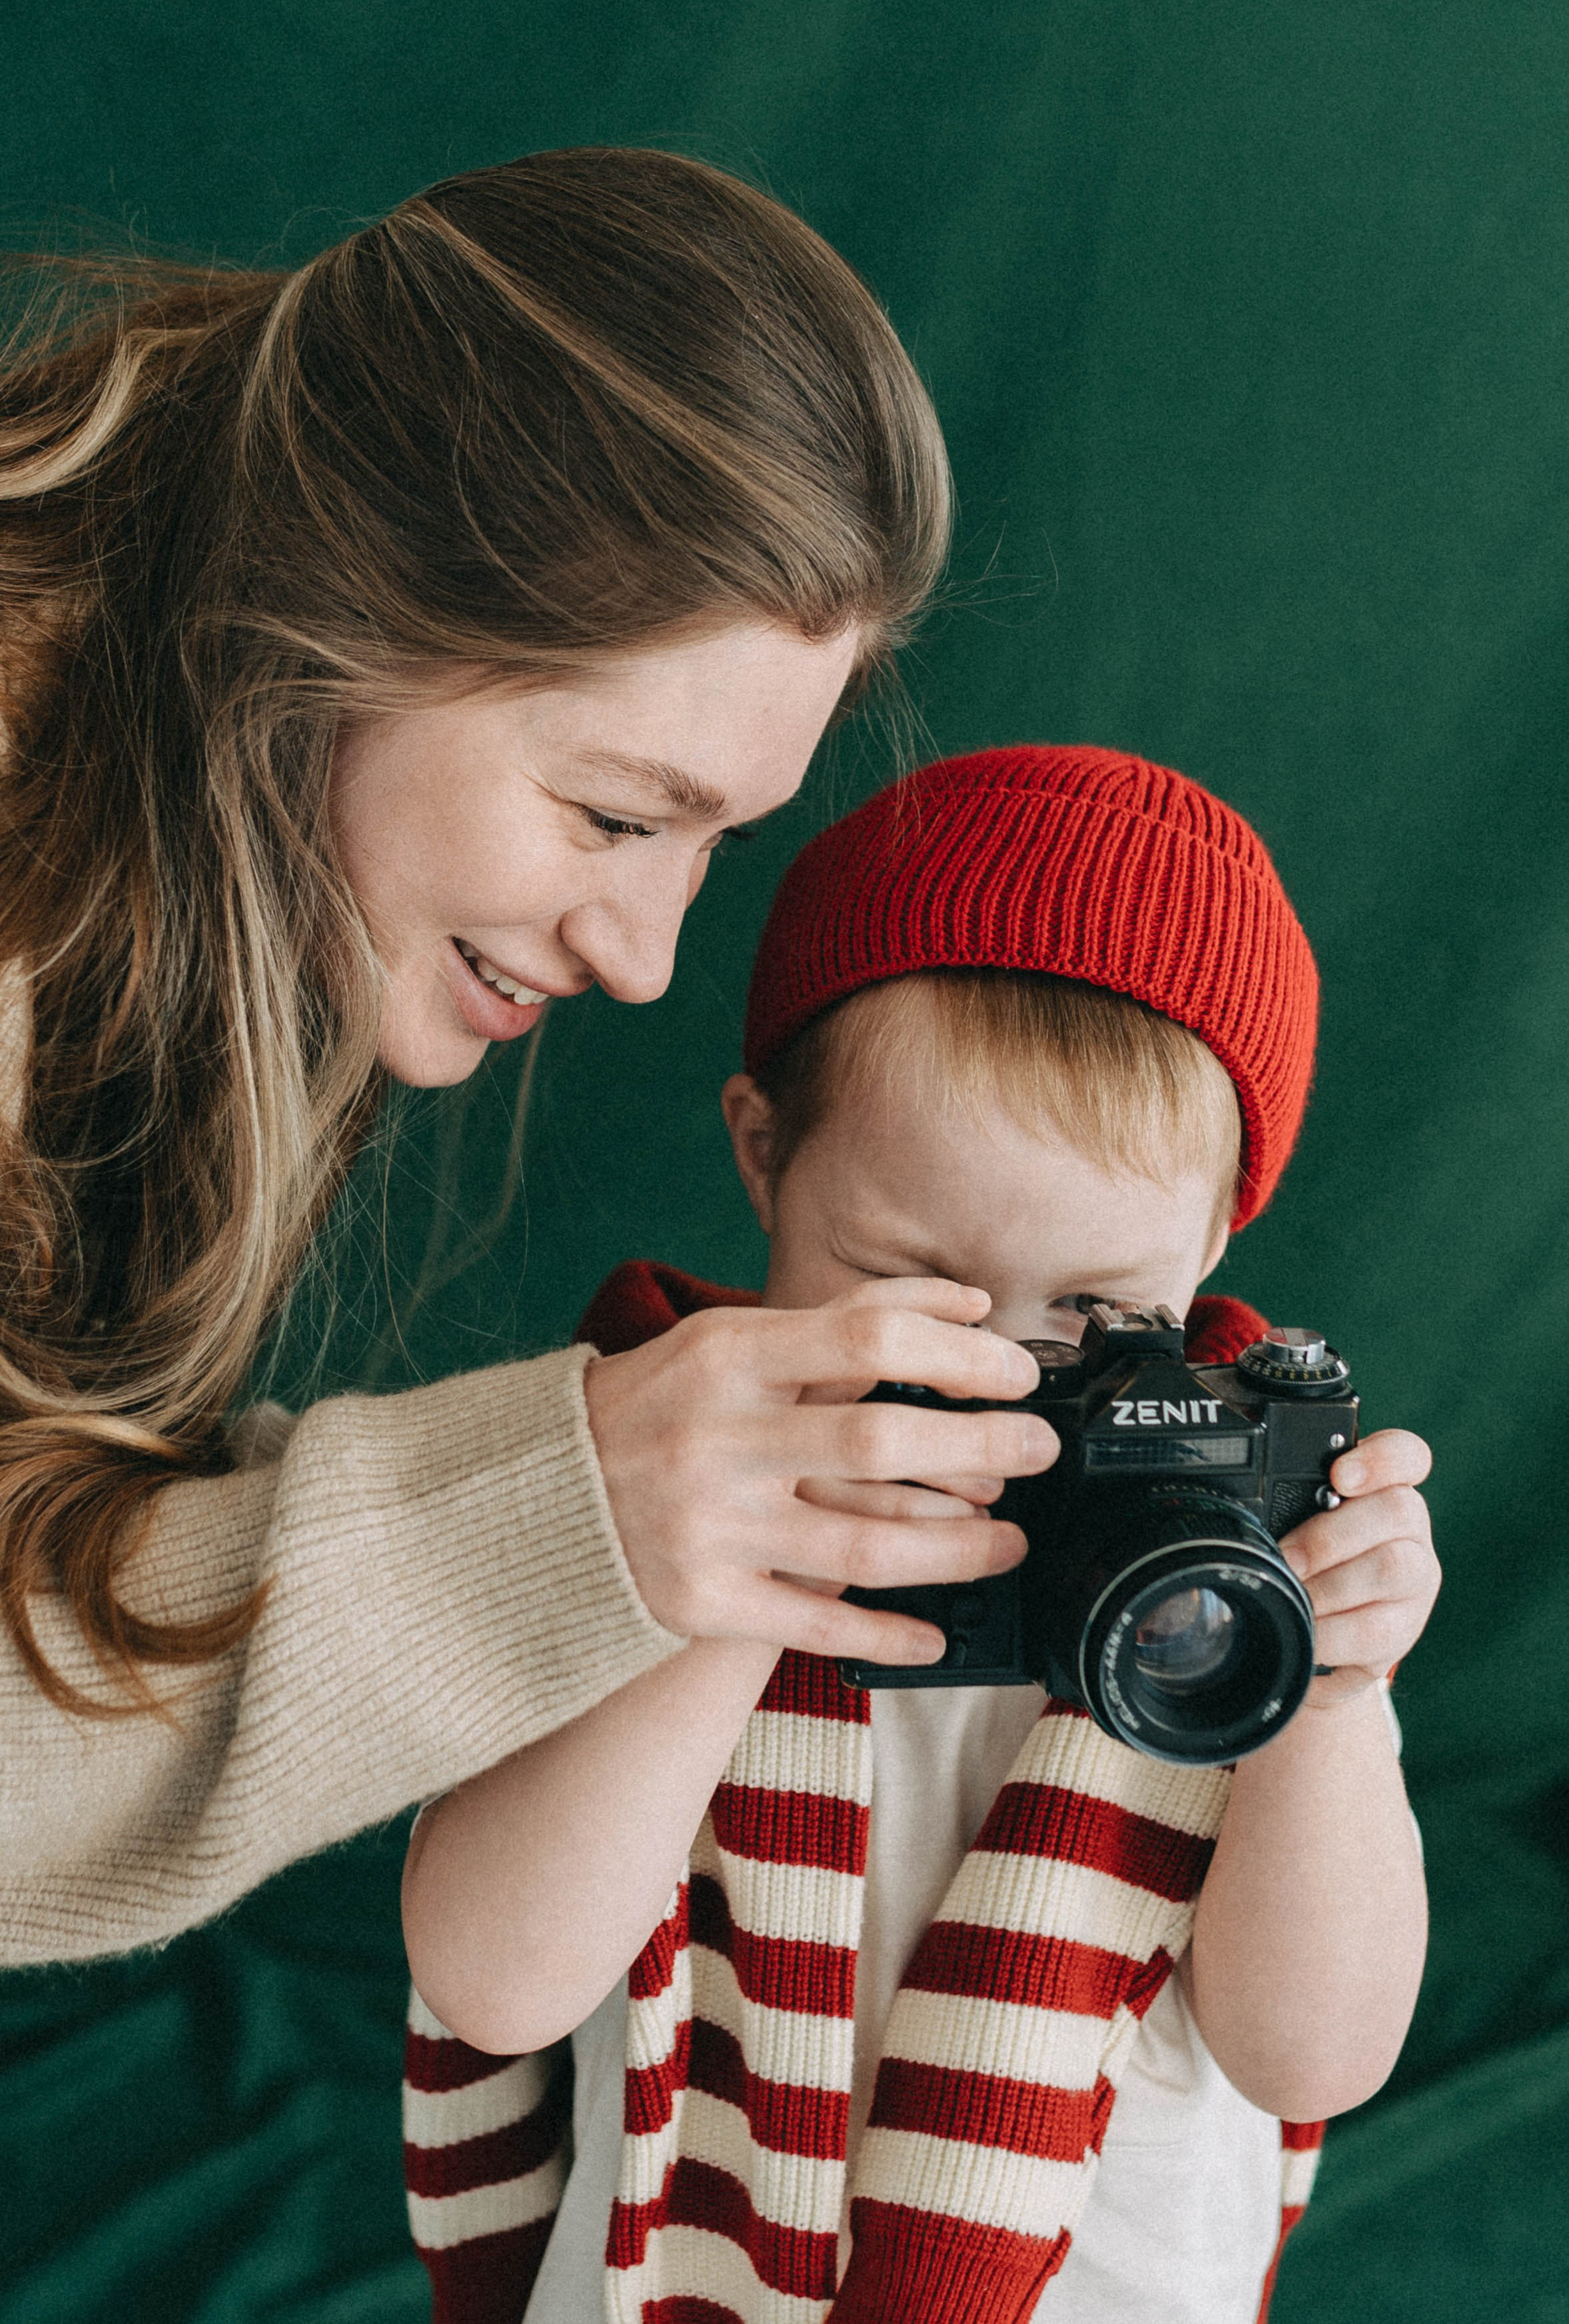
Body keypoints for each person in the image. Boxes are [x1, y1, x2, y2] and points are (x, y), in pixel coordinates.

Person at [0, 149, 1066, 1968]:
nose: (643, 963)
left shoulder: (187, 810)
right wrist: (563, 1512)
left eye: (709, 842)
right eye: (608, 812)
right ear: (324, 621)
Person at [400, 745, 1438, 2324]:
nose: (996, 1381)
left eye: (1098, 1314)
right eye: (910, 1285)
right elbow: (494, 1983)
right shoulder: (633, 1471)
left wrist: (1332, 1701)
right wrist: (749, 1573)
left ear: (1215, 1229)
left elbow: (1313, 2055)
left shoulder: (1236, 1525)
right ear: (763, 1151)